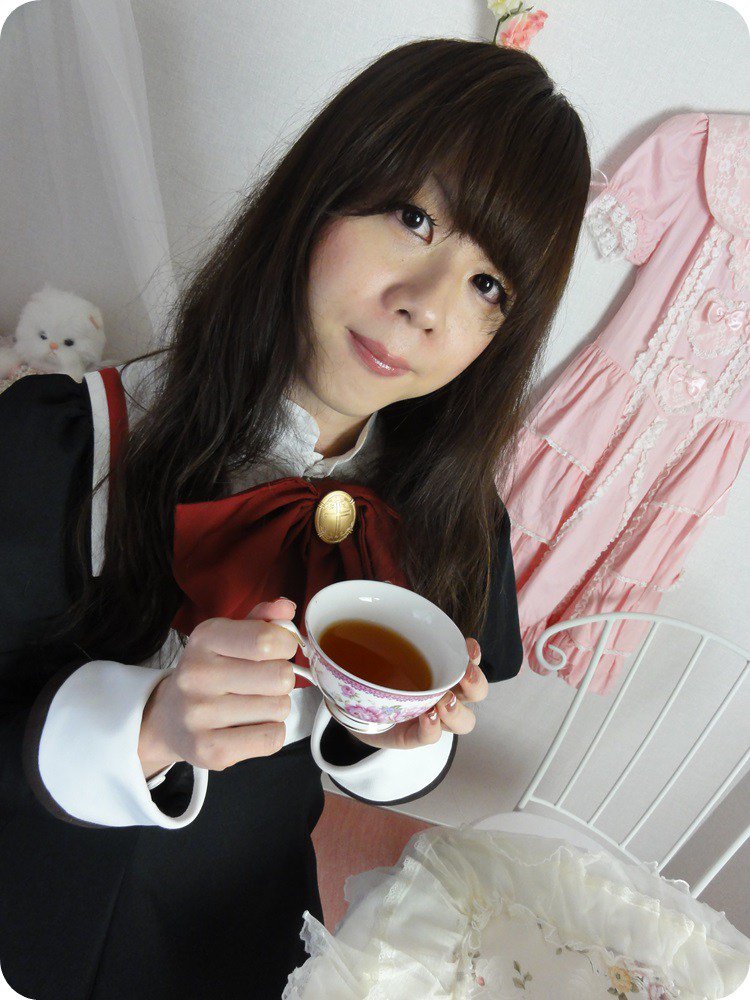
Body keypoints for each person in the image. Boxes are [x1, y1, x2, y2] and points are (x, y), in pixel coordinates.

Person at [0, 36, 591, 1000]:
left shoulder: (450, 519)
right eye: (414, 218)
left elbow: (367, 764)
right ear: (321, 188)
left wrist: (395, 737)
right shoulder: (64, 445)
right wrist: (147, 725)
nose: (425, 308)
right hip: (41, 912)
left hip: (256, 925)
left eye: (489, 285)